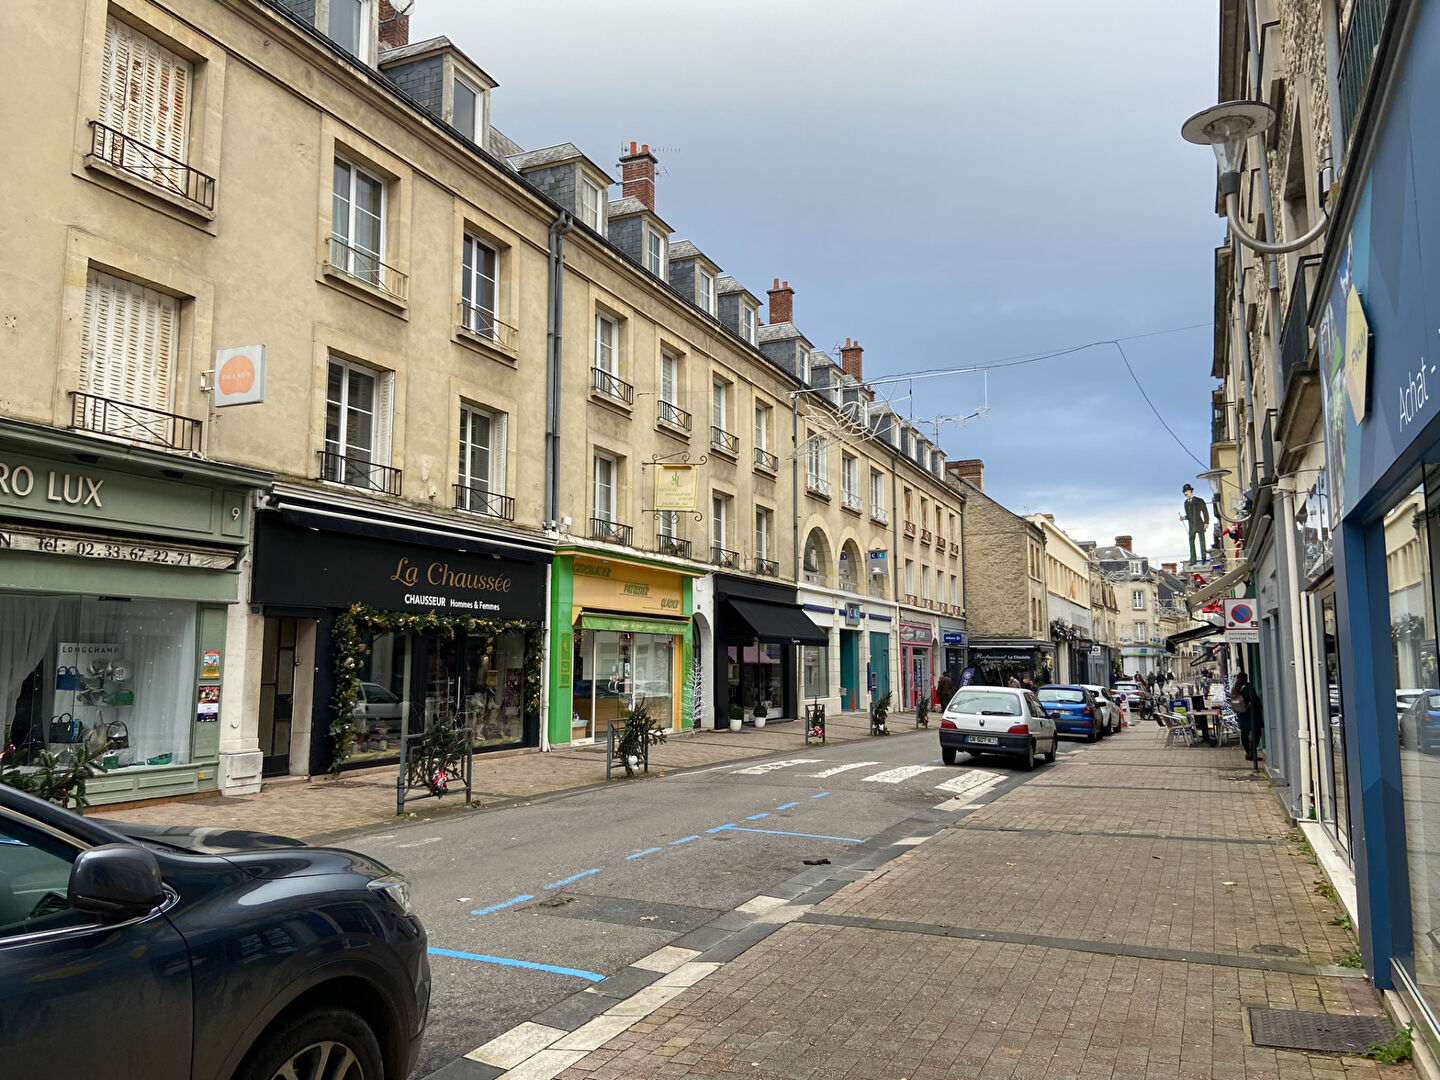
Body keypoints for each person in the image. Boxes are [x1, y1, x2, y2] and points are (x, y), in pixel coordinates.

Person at [1232, 670, 1264, 760]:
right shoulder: (1249, 688)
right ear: (1246, 678)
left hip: (1241, 714)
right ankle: (1252, 753)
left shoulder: (1235, 689)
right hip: (1251, 715)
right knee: (1257, 733)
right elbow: (1255, 701)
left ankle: (1248, 752)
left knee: (1244, 734)